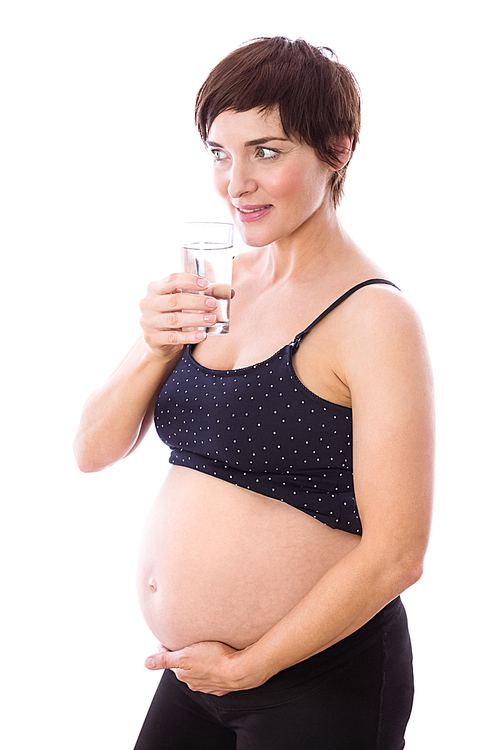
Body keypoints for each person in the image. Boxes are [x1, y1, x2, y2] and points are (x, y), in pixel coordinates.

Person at [74, 36, 434, 750]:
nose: (235, 181)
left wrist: (250, 666)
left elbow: (399, 553)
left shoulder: (374, 319)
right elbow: (91, 450)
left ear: (338, 148)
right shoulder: (216, 282)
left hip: (318, 681)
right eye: (219, 152)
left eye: (266, 152)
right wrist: (155, 343)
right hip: (194, 678)